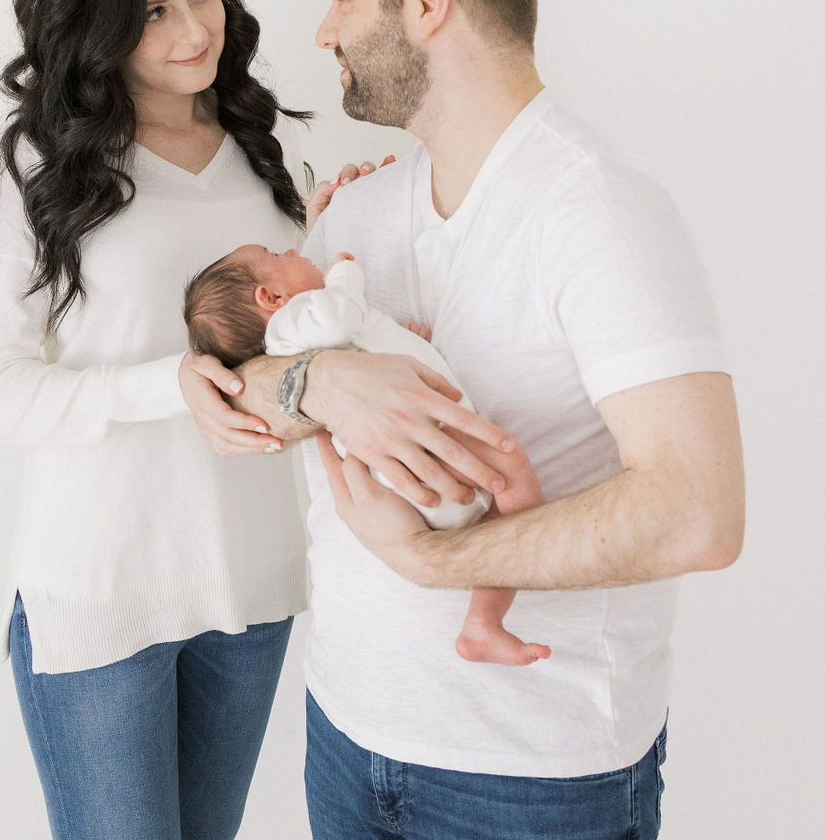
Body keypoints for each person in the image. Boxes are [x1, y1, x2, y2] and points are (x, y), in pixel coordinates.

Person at [180, 0, 746, 840]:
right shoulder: (358, 211)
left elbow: (698, 512)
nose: (322, 29)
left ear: (425, 2)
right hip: (350, 745)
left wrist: (438, 564)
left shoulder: (599, 216)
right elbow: (244, 383)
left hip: (534, 784)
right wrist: (320, 385)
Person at [0, 0, 318, 840]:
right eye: (155, 9)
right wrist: (163, 385)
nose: (195, 28)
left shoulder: (272, 157)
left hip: (250, 588)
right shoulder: (42, 173)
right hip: (99, 597)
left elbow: (305, 344)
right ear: (97, 24)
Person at [182, 244, 551, 665]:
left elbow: (356, 341)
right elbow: (340, 316)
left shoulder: (305, 336)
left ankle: (482, 625)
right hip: (422, 456)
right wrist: (344, 274)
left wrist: (397, 335)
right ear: (271, 298)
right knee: (511, 474)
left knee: (494, 523)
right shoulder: (293, 324)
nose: (290, 249)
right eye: (275, 255)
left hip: (406, 483)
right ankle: (491, 614)